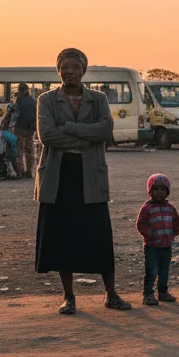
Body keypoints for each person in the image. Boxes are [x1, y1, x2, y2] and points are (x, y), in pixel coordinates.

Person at [34, 48, 131, 314]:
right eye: (64, 68)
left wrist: (68, 127)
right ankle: (69, 297)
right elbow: (47, 137)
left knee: (99, 237)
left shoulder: (98, 99)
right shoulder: (46, 100)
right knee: (63, 238)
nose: (70, 73)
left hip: (90, 176)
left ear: (84, 71)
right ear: (58, 71)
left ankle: (111, 294)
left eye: (75, 68)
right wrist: (87, 136)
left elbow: (106, 131)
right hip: (59, 175)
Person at [135, 173, 179, 306]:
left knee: (164, 271)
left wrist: (173, 234)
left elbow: (176, 223)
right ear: (150, 191)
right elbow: (140, 224)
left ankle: (163, 292)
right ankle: (148, 295)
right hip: (152, 247)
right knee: (151, 271)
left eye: (163, 189)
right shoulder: (146, 208)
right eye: (156, 189)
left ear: (167, 191)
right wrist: (149, 233)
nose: (160, 192)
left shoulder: (170, 208)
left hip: (166, 246)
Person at [11, 82, 37, 178]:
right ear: (27, 90)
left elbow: (13, 114)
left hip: (19, 129)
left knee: (19, 151)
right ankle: (29, 172)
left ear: (19, 90)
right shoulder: (33, 101)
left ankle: (20, 172)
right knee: (29, 151)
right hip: (30, 130)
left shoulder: (17, 100)